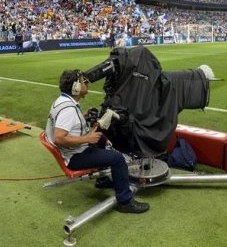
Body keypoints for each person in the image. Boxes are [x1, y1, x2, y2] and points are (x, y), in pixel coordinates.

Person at [45, 69, 149, 213]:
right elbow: (59, 137)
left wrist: (84, 116)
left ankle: (103, 179)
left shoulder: (62, 101)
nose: (86, 83)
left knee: (100, 140)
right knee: (117, 159)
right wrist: (86, 138)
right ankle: (125, 201)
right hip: (74, 157)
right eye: (83, 81)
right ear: (75, 87)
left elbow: (66, 124)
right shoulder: (68, 109)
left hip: (71, 151)